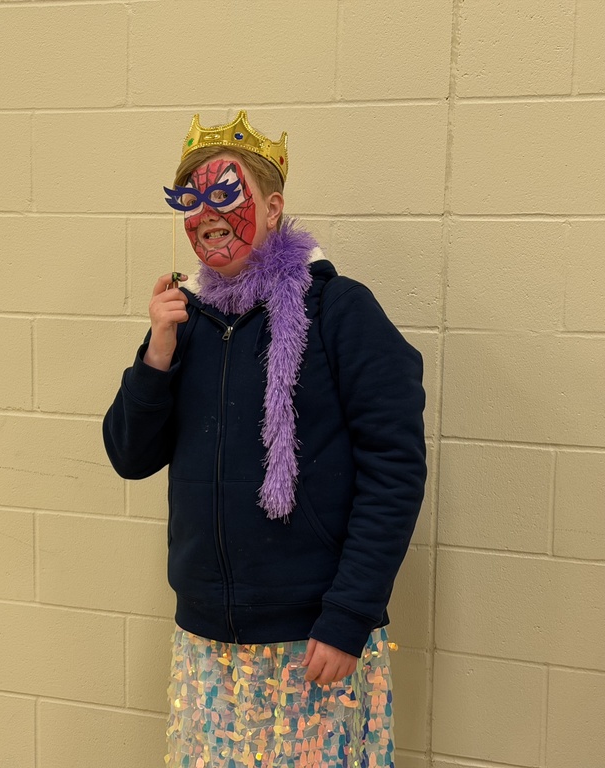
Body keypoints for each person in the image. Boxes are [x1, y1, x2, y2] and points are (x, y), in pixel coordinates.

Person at [103, 111, 426, 767]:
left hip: (314, 640)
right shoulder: (184, 320)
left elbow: (395, 469)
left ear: (273, 208)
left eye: (227, 193)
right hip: (206, 640)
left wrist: (348, 617)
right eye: (191, 199)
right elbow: (129, 456)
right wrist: (156, 356)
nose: (207, 213)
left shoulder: (340, 311)